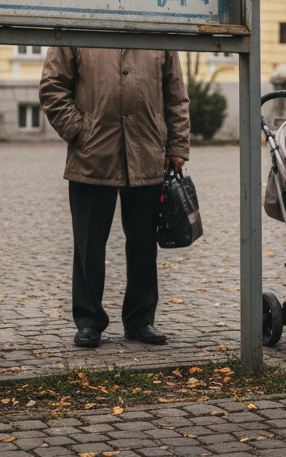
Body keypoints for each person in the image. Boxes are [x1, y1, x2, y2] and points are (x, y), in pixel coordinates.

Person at [38, 47, 190, 348]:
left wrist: (177, 144)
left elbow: (175, 92)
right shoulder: (78, 22)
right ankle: (89, 321)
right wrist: (80, 131)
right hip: (92, 154)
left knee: (144, 243)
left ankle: (140, 320)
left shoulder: (155, 27)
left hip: (147, 151)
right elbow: (52, 86)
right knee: (88, 244)